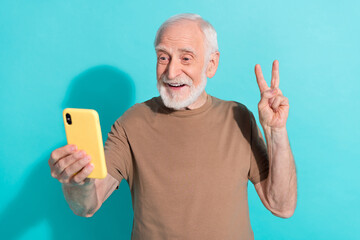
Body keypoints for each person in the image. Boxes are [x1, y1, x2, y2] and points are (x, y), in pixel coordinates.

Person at [49, 13, 297, 240]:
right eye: (163, 57)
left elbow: (282, 206)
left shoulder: (238, 117)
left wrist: (276, 131)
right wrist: (76, 182)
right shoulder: (131, 123)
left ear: (211, 64)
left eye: (185, 58)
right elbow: (87, 205)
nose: (171, 70)